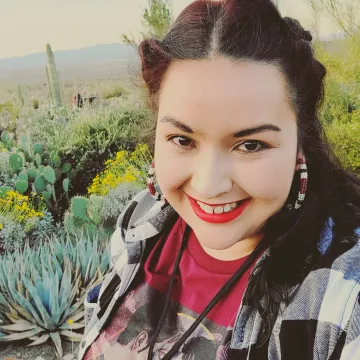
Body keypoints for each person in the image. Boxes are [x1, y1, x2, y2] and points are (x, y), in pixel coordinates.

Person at [78, 0, 360, 359]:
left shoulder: (343, 296)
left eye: (251, 144)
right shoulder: (141, 219)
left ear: (299, 145)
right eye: (182, 140)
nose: (209, 185)